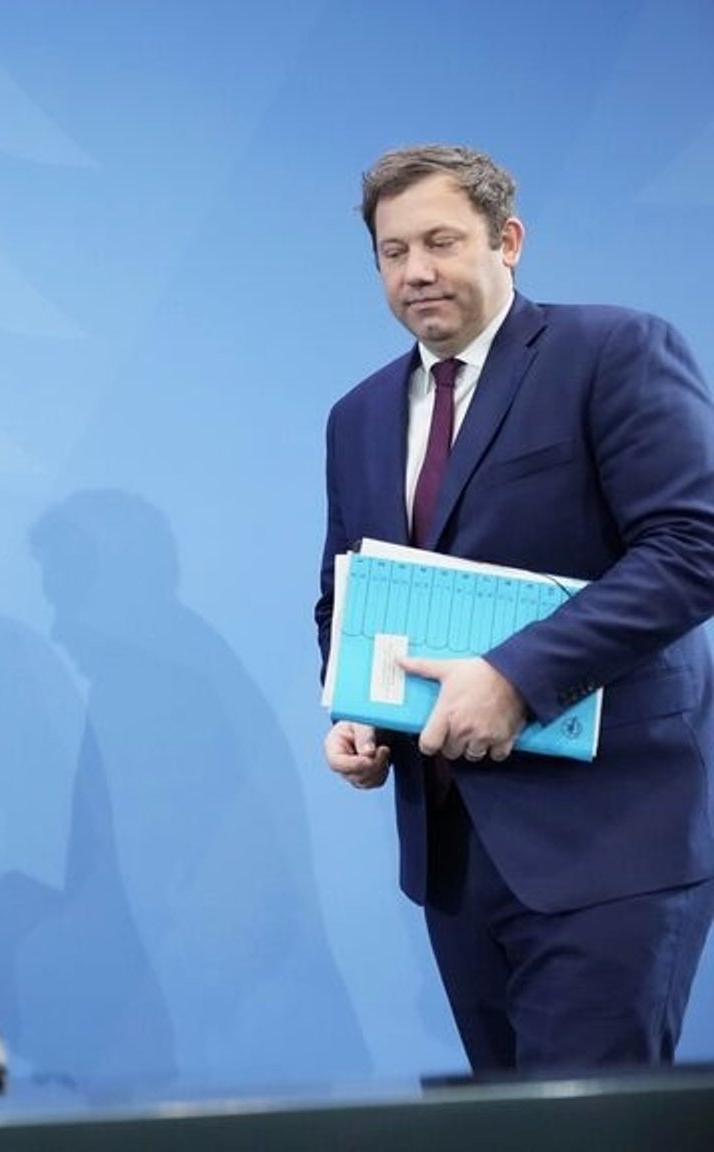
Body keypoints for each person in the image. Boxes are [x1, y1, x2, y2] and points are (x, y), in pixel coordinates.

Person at [317, 145, 714, 1073]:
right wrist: (354, 708)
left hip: (611, 840)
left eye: (442, 242)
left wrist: (516, 679)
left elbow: (693, 548)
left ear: (510, 241)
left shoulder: (611, 351)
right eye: (392, 251)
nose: (416, 271)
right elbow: (344, 589)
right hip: (453, 855)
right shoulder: (358, 414)